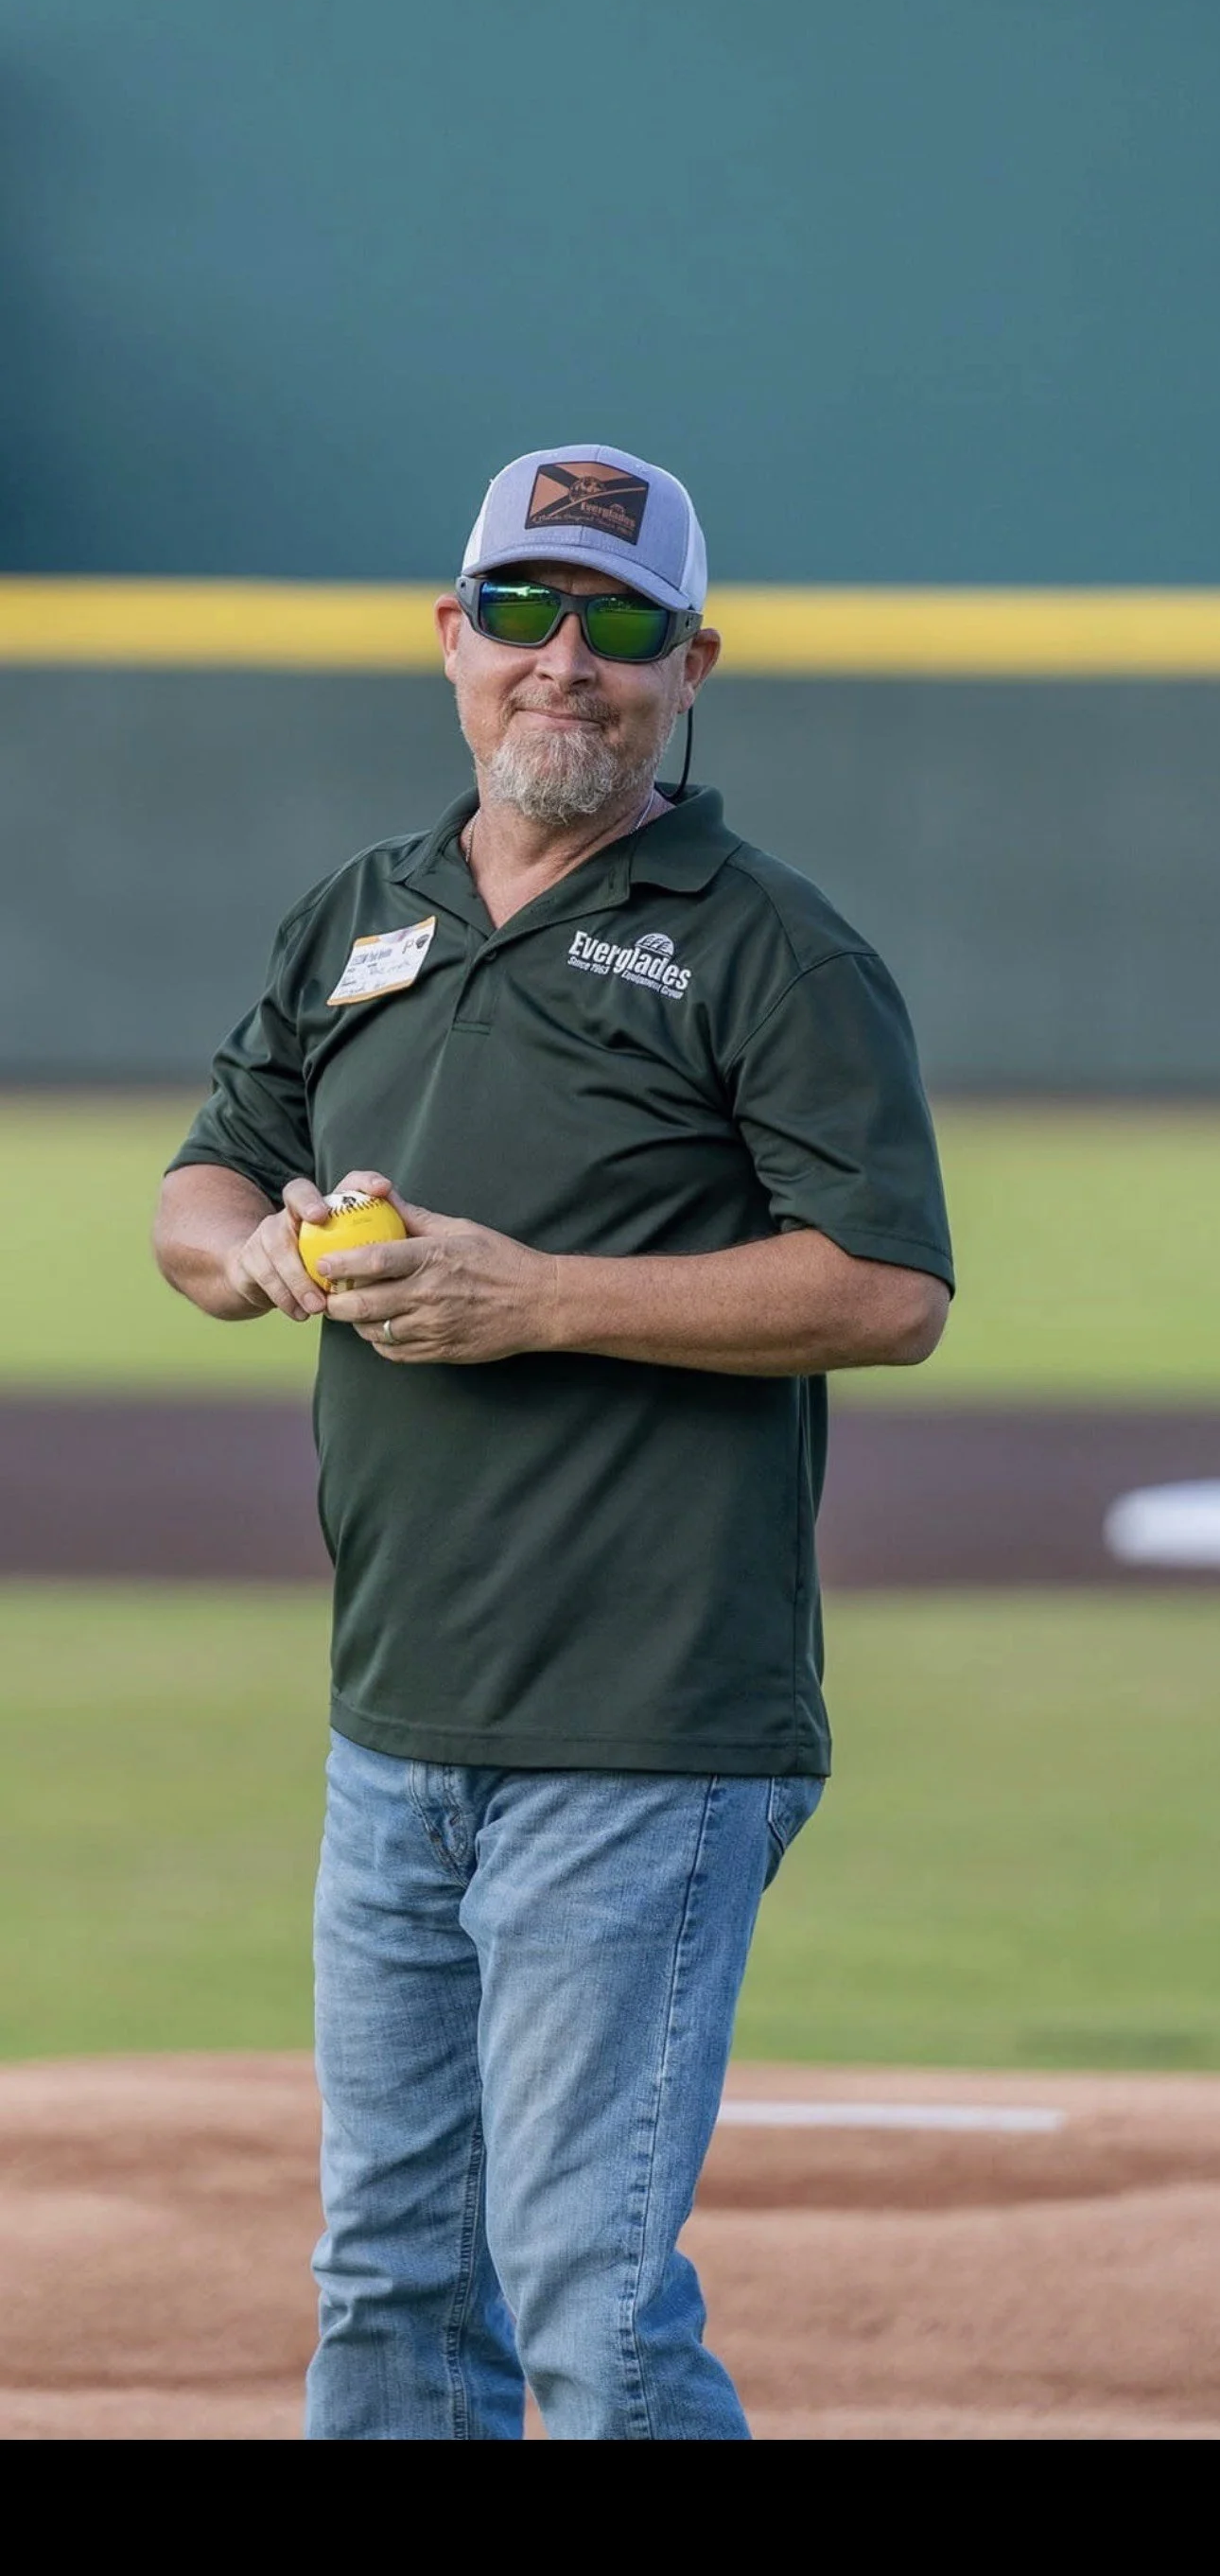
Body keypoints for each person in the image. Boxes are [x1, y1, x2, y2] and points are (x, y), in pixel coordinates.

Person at [154, 442, 954, 2441]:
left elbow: (887, 1288)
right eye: (520, 611)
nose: (561, 662)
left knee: (592, 2307)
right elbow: (198, 1182)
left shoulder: (770, 945)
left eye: (614, 626)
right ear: (451, 639)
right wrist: (250, 1255)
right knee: (391, 2290)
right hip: (398, 1720)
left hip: (649, 1731)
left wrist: (547, 1295)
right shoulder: (365, 913)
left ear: (696, 664)